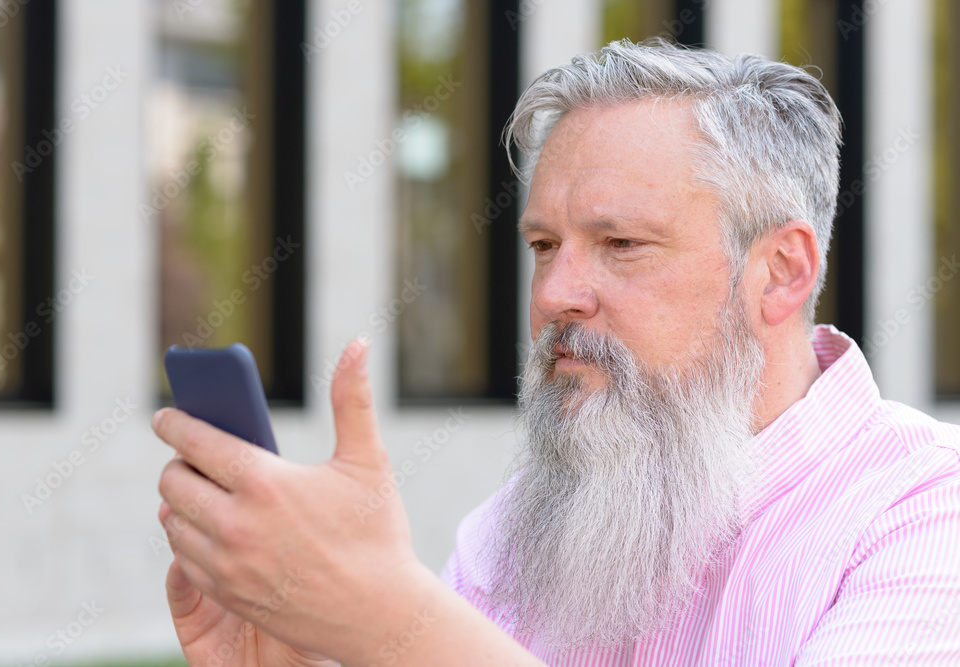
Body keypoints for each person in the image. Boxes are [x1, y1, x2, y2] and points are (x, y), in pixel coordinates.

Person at [153, 38, 960, 666]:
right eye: (544, 243)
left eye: (621, 243)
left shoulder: (923, 511)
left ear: (780, 272)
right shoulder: (517, 528)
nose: (553, 293)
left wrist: (393, 621)